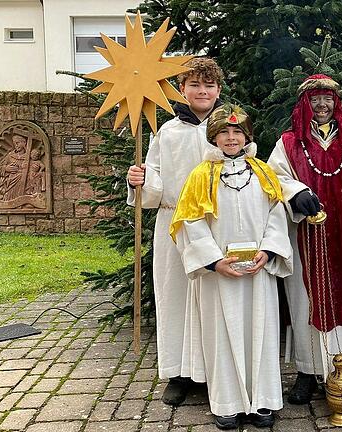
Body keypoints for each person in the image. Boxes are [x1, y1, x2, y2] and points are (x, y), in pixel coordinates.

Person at [170, 104, 291, 430]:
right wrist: (213, 261)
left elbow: (276, 216)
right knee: (222, 334)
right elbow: (190, 222)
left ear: (247, 136)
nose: (231, 137)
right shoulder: (201, 176)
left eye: (237, 131)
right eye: (224, 131)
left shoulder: (263, 172)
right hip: (219, 276)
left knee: (261, 333)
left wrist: (268, 251)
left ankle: (263, 400)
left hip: (256, 271)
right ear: (214, 137)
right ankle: (226, 402)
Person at [126, 56, 223, 405]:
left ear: (218, 90)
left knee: (213, 299)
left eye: (208, 85)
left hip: (216, 225)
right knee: (175, 296)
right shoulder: (167, 132)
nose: (202, 91)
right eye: (194, 84)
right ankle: (179, 374)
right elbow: (152, 185)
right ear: (181, 89)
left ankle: (215, 371)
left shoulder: (227, 129)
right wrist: (139, 180)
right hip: (174, 225)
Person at [267, 74, 342, 403]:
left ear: (336, 103)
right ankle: (307, 371)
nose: (322, 105)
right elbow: (273, 178)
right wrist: (294, 193)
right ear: (304, 104)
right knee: (303, 300)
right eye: (315, 99)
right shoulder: (288, 143)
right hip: (305, 236)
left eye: (327, 98)